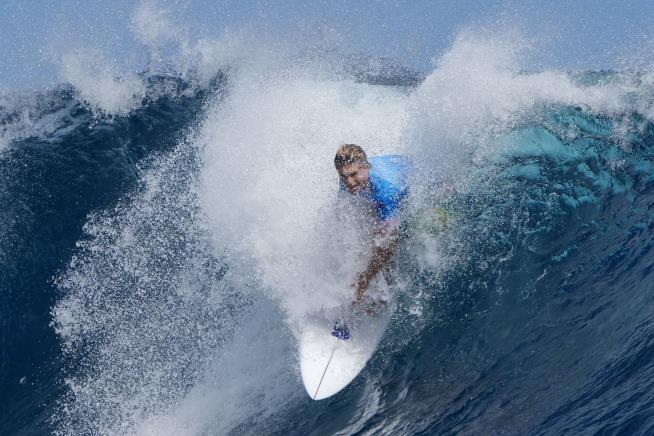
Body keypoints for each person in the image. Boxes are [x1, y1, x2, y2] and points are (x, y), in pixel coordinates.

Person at [334, 143, 411, 306]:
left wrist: (366, 278)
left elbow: (387, 245)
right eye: (343, 176)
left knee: (389, 243)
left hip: (420, 190)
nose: (348, 182)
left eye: (353, 175)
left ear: (366, 167)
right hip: (391, 177)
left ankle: (385, 294)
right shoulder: (349, 177)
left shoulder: (388, 192)